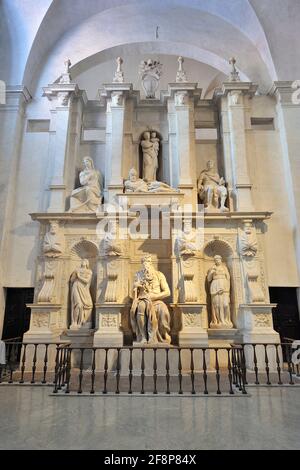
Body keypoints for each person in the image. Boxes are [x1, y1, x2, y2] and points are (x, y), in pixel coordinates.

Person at [130, 254, 171, 344]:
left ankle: (163, 334)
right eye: (144, 262)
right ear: (142, 263)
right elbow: (133, 295)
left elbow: (167, 292)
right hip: (143, 299)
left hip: (157, 300)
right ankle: (143, 336)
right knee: (140, 307)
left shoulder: (159, 274)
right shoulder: (138, 274)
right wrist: (135, 286)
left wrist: (155, 296)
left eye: (148, 261)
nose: (146, 264)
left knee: (163, 310)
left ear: (151, 263)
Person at [207, 255, 232, 328]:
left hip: (224, 287)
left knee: (225, 305)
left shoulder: (225, 268)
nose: (217, 261)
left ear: (221, 260)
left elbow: (228, 278)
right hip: (215, 286)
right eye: (215, 260)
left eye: (218, 259)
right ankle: (218, 321)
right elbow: (209, 279)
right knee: (216, 306)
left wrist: (226, 288)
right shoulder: (212, 269)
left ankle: (225, 320)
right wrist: (212, 272)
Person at [70, 259, 93, 330]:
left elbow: (87, 281)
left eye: (85, 261)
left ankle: (81, 323)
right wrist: (75, 274)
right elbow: (71, 280)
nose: (83, 262)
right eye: (82, 261)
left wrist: (79, 276)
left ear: (87, 264)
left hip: (84, 289)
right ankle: (74, 322)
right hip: (76, 286)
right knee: (78, 304)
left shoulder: (89, 271)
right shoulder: (76, 270)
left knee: (87, 305)